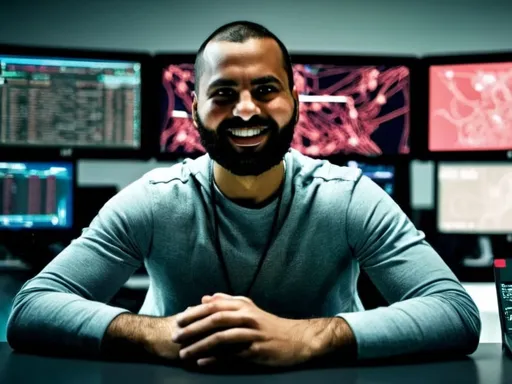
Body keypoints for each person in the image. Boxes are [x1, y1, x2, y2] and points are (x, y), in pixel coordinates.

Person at [6, 20, 481, 369]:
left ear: (295, 100)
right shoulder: (154, 200)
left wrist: (305, 338)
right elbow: (32, 307)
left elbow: (454, 311)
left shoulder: (348, 197)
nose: (247, 109)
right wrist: (161, 334)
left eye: (266, 89)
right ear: (194, 110)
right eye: (224, 93)